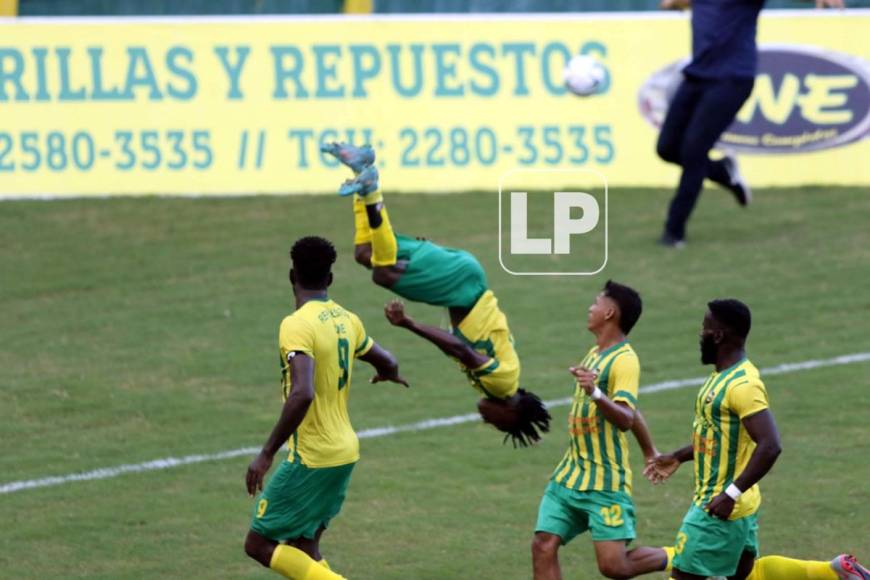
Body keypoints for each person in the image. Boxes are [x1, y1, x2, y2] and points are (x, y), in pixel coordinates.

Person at [322, 142, 551, 446]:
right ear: (513, 413)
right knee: (384, 273)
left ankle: (362, 169)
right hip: (462, 284)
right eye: (499, 426)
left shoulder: (492, 388)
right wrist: (409, 324)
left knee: (366, 254)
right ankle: (371, 188)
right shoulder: (503, 383)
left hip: (459, 278)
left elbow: (457, 348)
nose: (488, 421)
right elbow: (460, 349)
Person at [645, 298, 869, 580]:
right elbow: (721, 441)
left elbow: (771, 444)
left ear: (718, 335)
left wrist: (730, 494)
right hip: (737, 504)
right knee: (750, 575)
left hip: (717, 509)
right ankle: (835, 573)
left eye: (704, 327)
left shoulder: (743, 384)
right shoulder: (722, 377)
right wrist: (678, 456)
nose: (700, 334)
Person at [243, 236, 408, 580]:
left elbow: (302, 393)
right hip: (344, 451)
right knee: (304, 548)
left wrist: (266, 453)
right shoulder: (348, 319)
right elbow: (388, 360)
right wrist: (386, 374)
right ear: (330, 279)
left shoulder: (297, 324)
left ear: (292, 276)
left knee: (258, 544)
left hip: (312, 457)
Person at [656, 0, 844, 248]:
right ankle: (723, 172)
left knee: (694, 151)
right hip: (698, 75)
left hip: (732, 79)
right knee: (667, 148)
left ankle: (674, 231)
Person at [531, 281, 675, 579]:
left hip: (605, 481)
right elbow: (632, 408)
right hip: (570, 475)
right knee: (543, 544)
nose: (590, 308)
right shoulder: (595, 352)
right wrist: (650, 451)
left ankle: (683, 554)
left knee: (614, 566)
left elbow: (624, 416)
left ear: (609, 312)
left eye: (596, 302)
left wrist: (595, 393)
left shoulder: (625, 360)